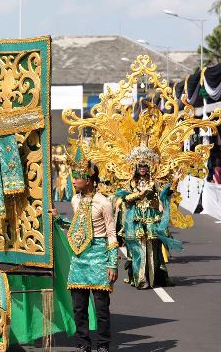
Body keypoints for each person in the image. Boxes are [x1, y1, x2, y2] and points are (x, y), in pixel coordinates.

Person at [52, 145, 118, 352]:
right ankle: (83, 343)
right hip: (79, 257)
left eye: (77, 177)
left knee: (101, 308)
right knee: (79, 308)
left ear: (88, 180)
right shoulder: (74, 200)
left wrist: (113, 264)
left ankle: (103, 344)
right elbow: (78, 228)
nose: (72, 181)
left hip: (99, 255)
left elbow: (111, 234)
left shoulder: (104, 202)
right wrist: (59, 220)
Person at [114, 144, 182, 290]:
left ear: (149, 166)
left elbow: (164, 194)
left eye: (145, 165)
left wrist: (175, 181)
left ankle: (154, 277)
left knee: (153, 247)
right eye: (140, 165)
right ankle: (141, 279)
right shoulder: (132, 182)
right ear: (136, 167)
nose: (143, 168)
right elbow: (125, 198)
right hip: (136, 218)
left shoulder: (154, 182)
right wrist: (140, 194)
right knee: (138, 248)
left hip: (152, 217)